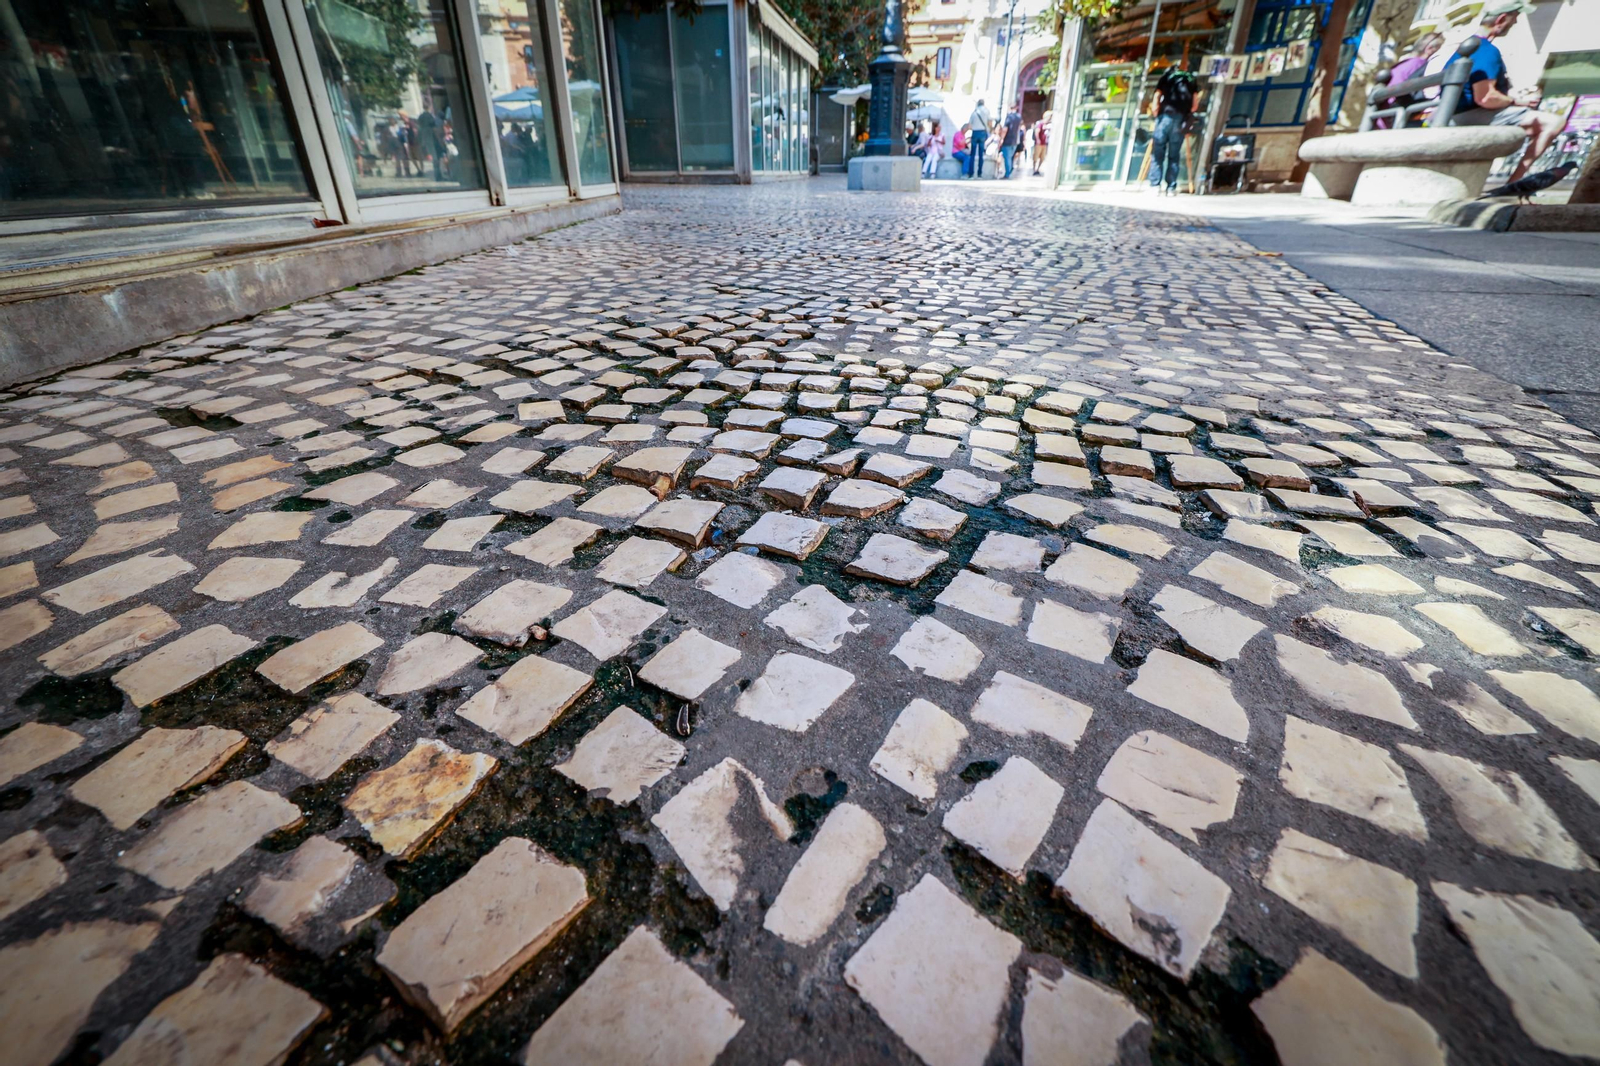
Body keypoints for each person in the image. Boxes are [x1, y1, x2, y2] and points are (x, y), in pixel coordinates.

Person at [1448, 0, 1561, 182]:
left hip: (1455, 113)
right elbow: (1485, 98)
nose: (1515, 23)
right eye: (1515, 17)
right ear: (1501, 19)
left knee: (1529, 124)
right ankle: (1515, 182)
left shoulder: (1467, 48)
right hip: (1472, 115)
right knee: (1553, 122)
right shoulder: (1487, 51)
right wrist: (1517, 102)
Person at [1375, 32, 1444, 128]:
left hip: (1381, 118)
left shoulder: (1404, 64)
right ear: (1430, 49)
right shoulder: (1419, 65)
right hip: (1393, 120)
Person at [1148, 64, 1196, 194]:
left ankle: (1155, 185)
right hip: (1180, 119)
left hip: (1165, 116)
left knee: (1158, 152)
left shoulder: (1166, 77)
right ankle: (1171, 187)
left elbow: (1157, 95)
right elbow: (1194, 105)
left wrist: (1155, 110)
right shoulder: (1191, 79)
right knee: (1174, 155)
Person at [966, 98, 991, 177]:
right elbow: (990, 123)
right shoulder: (987, 111)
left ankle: (971, 173)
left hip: (975, 132)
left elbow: (969, 125)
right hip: (983, 132)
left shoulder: (974, 112)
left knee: (972, 154)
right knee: (981, 154)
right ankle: (979, 173)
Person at [999, 104, 1023, 178]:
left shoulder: (1009, 117)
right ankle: (1009, 171)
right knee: (1011, 157)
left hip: (1008, 140)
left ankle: (1007, 174)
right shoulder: (1019, 117)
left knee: (1007, 157)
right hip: (1015, 140)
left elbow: (1005, 129)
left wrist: (1002, 139)